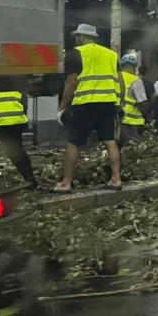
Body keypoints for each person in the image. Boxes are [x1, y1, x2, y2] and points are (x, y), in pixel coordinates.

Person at [54, 23, 124, 192]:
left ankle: (66, 182)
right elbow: (120, 81)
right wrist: (120, 102)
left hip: (84, 106)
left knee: (73, 142)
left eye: (76, 36)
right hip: (107, 104)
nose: (75, 39)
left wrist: (62, 107)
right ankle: (116, 179)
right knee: (110, 141)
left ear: (81, 37)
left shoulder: (76, 53)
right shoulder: (111, 54)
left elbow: (72, 81)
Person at [0, 75, 37, 188]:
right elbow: (24, 96)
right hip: (12, 115)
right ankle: (30, 179)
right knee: (15, 150)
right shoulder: (13, 67)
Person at [118, 54, 149, 144]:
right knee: (133, 148)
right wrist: (147, 117)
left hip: (116, 120)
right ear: (134, 67)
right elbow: (142, 103)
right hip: (132, 122)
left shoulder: (115, 77)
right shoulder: (135, 80)